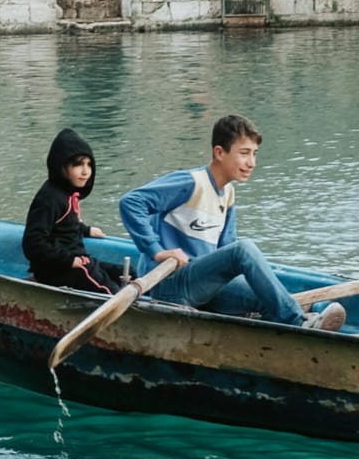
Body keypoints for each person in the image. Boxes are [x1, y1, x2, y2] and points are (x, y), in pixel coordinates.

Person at [118, 114, 344, 330]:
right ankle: (297, 321)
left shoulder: (228, 194)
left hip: (203, 287)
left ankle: (280, 328)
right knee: (244, 249)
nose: (252, 162)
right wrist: (157, 251)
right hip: (170, 285)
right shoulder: (190, 182)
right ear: (219, 152)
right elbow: (131, 203)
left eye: (255, 154)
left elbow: (226, 248)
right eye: (244, 153)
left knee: (266, 295)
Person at [23, 128, 128, 294]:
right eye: (78, 164)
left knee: (127, 273)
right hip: (59, 268)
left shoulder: (68, 194)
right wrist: (69, 260)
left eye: (89, 165)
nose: (85, 172)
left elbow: (63, 226)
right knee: (112, 292)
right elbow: (33, 243)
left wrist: (85, 230)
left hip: (78, 260)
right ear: (62, 167)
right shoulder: (50, 199)